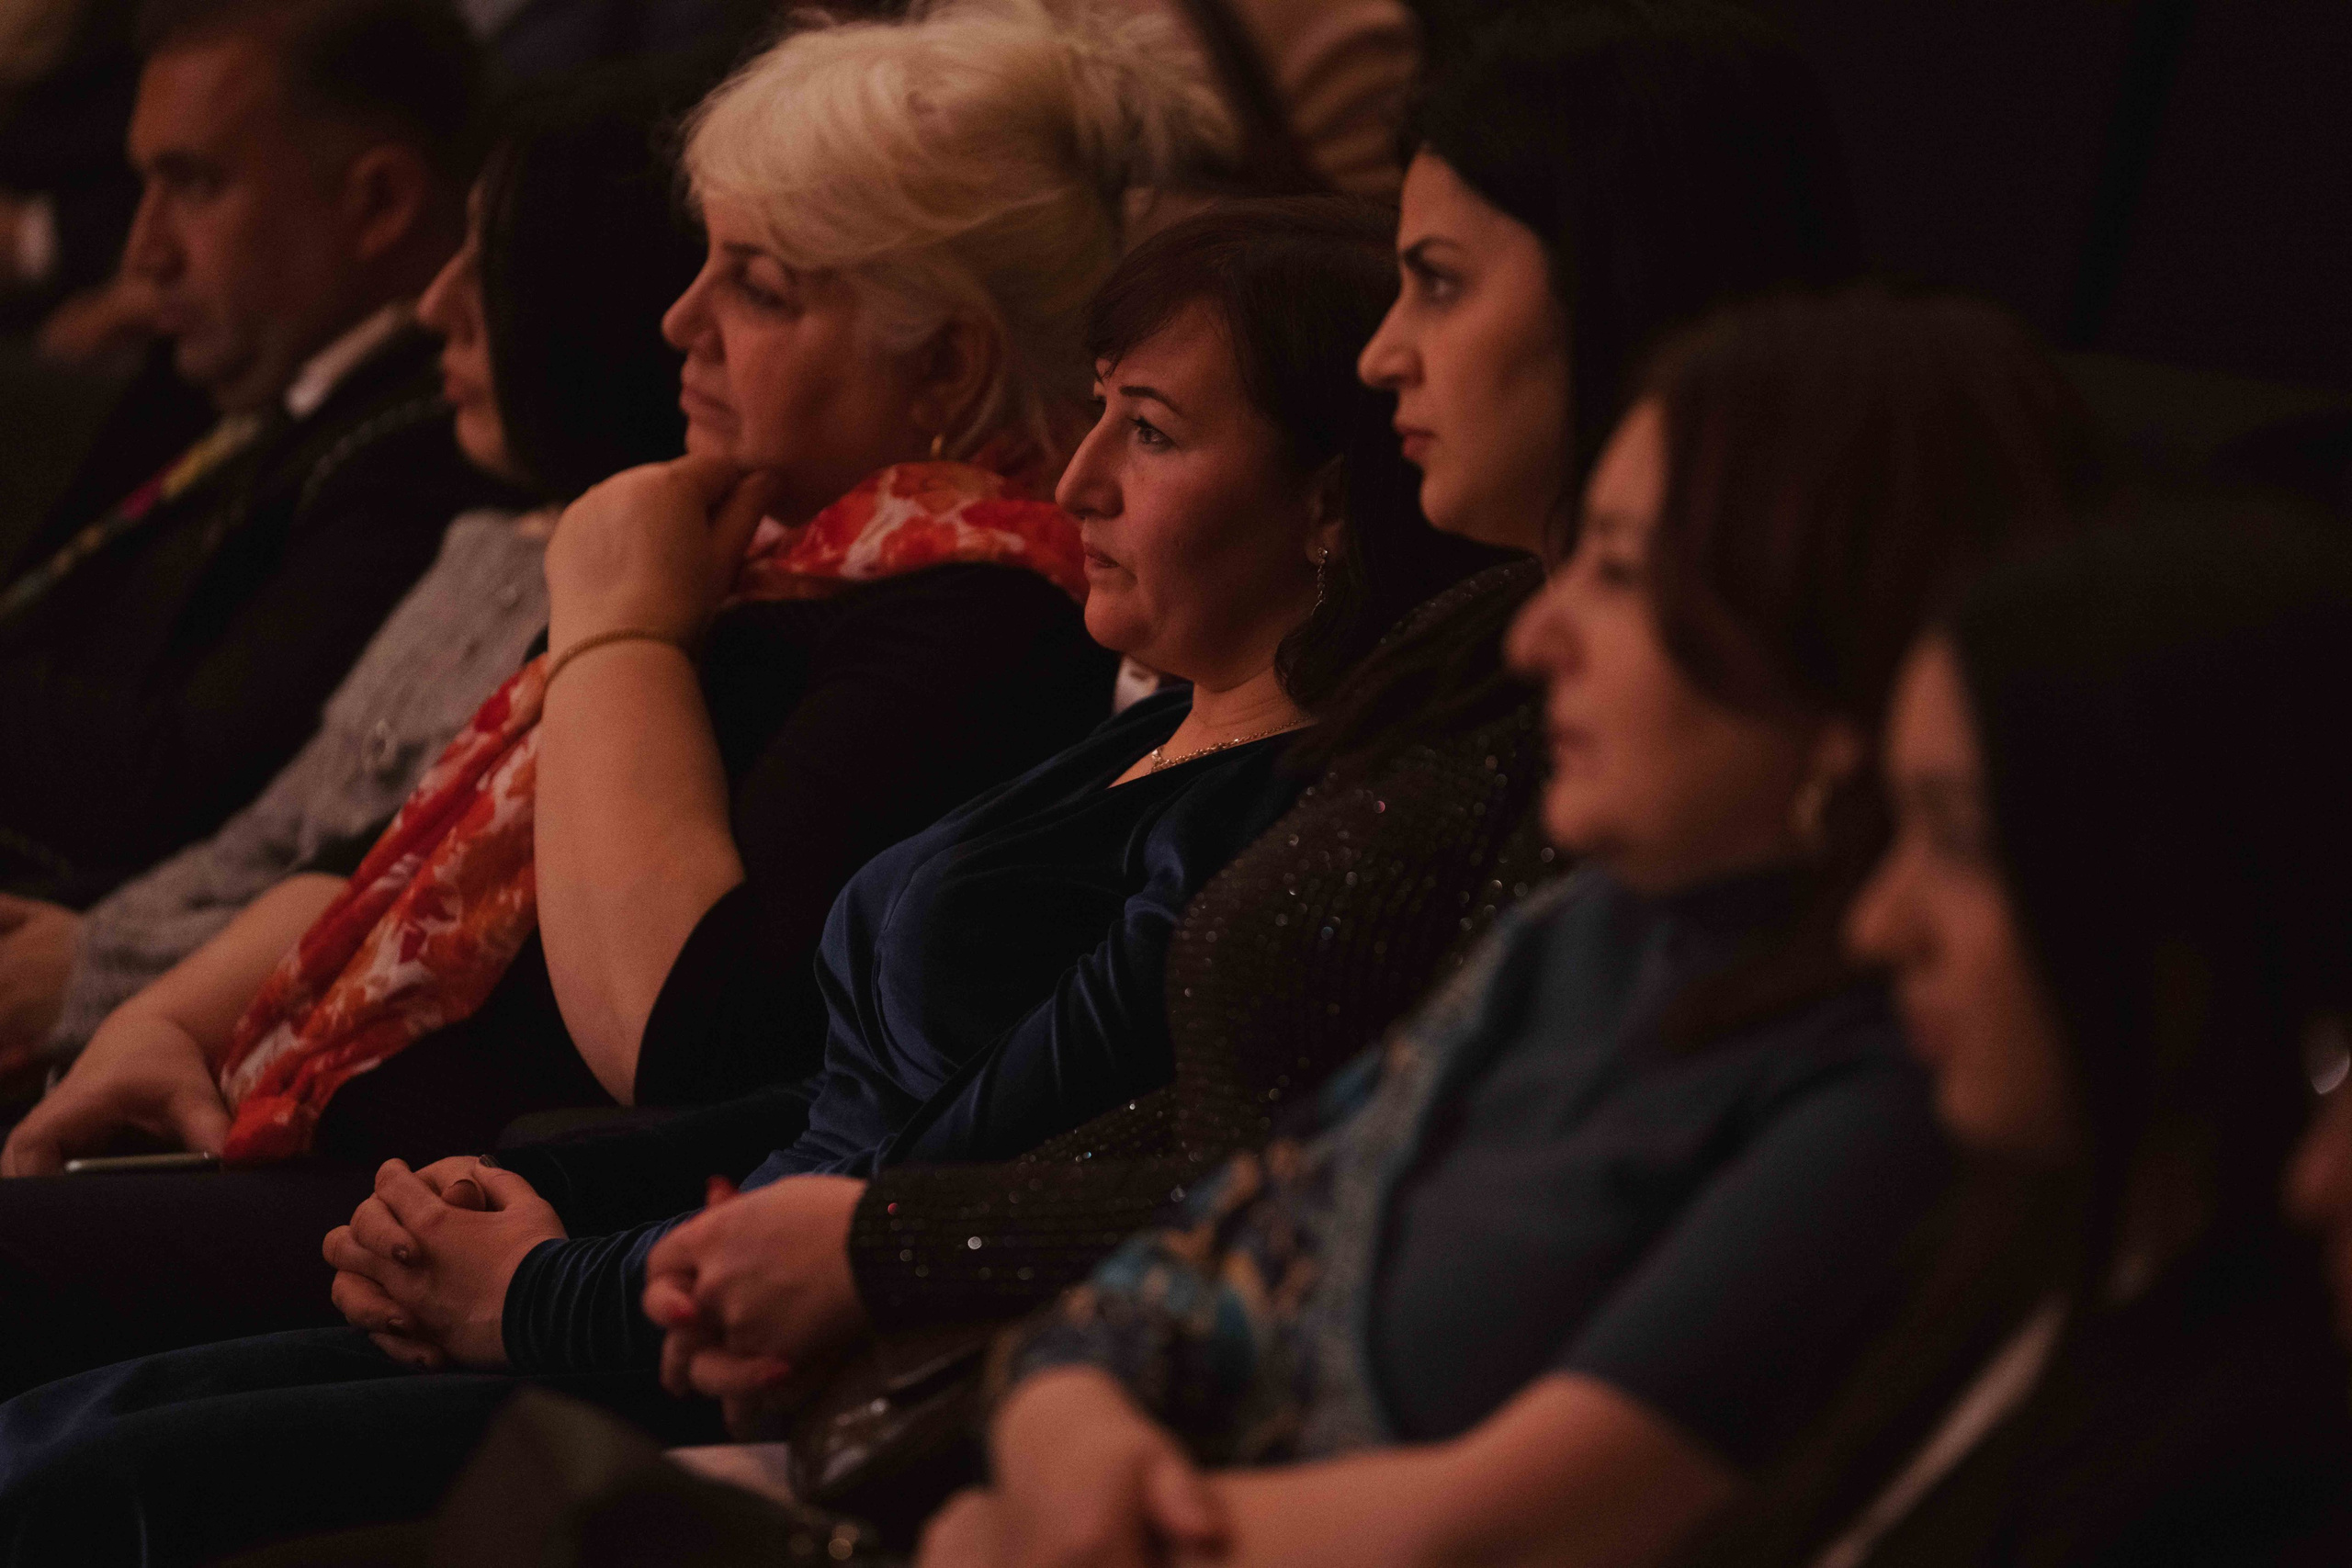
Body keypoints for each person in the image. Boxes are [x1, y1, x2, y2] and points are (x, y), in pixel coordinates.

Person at [0, 180, 1493, 1568]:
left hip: (757, 1358)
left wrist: (545, 1279)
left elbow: (892, 1160)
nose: (1083, 475)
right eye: (1093, 413)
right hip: (647, 1256)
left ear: (1329, 502)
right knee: (66, 1430)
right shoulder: (1157, 715)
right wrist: (533, 1187)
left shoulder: (1239, 787)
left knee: (82, 1478)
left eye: (1153, 432)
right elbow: (828, 1087)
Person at [0, 0, 1230, 1388]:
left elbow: (678, 1027)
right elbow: (373, 858)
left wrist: (611, 625)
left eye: (760, 287)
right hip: (384, 1159)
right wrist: (164, 1015)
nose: (679, 319)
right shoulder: (782, 547)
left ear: (943, 363)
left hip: (544, 1221)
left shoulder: (987, 609)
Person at [914, 287, 2103, 1568]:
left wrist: (1036, 1527)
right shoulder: (1585, 931)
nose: (1540, 635)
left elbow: (1483, 1532)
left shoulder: (1897, 1085)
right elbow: (1165, 1285)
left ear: (1831, 640)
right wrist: (1068, 1436)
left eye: (1629, 575)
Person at [1668, 511, 2352, 1568]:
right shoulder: (2009, 1229)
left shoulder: (2265, 1476)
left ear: (2189, 891)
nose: (1876, 925)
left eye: (1962, 839)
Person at [0, 84, 700, 1078]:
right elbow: (275, 837)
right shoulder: (486, 538)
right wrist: (89, 949)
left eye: (494, 266)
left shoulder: (614, 572)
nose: (438, 306)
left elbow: (397, 896)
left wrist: (96, 970)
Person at [0, 0, 516, 908]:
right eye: (143, 188)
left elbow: (174, 787)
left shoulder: (429, 454)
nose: (144, 251)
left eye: (193, 184)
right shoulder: (221, 368)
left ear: (379, 202)